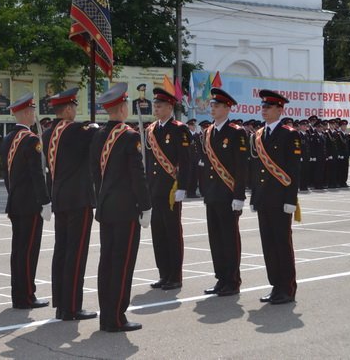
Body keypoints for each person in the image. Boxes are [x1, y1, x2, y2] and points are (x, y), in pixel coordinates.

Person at [89, 82, 151, 332]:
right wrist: (146, 206)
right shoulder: (129, 136)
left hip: (106, 207)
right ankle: (116, 317)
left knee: (107, 263)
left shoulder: (98, 134)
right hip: (126, 210)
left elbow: (95, 173)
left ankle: (107, 315)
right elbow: (138, 175)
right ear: (123, 107)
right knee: (123, 264)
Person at [43, 87, 99, 321]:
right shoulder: (77, 130)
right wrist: (93, 126)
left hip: (60, 198)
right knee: (76, 253)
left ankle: (61, 303)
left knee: (62, 251)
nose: (76, 111)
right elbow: (97, 136)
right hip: (79, 199)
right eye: (74, 107)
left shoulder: (47, 133)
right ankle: (72, 307)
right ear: (67, 109)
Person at [1, 93, 52, 310]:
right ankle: (27, 296)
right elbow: (37, 175)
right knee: (29, 252)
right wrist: (45, 201)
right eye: (32, 111)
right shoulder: (30, 139)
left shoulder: (7, 139)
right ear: (24, 112)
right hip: (31, 205)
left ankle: (18, 295)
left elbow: (7, 175)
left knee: (18, 251)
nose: (34, 114)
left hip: (15, 202)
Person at [250, 90, 299, 305]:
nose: (264, 110)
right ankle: (275, 285)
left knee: (282, 243)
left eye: (268, 107)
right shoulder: (258, 135)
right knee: (268, 244)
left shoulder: (289, 134)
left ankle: (287, 288)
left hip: (281, 200)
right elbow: (256, 169)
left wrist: (291, 200)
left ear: (280, 110)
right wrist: (254, 197)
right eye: (263, 107)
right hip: (263, 199)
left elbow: (294, 170)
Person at [198, 87, 248, 298]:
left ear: (227, 108)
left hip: (228, 195)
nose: (213, 108)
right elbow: (205, 165)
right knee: (215, 239)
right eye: (212, 105)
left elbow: (241, 166)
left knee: (229, 239)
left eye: (217, 106)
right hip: (212, 195)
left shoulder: (236, 132)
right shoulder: (208, 132)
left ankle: (232, 280)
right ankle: (221, 278)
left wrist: (239, 196)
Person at [145, 86, 191, 291]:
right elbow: (149, 162)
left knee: (172, 233)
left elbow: (187, 160)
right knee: (158, 233)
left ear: (170, 107)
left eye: (160, 105)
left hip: (171, 189)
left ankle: (175, 276)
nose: (156, 108)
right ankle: (163, 274)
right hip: (155, 189)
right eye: (155, 105)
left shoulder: (179, 129)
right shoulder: (151, 130)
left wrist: (182, 186)